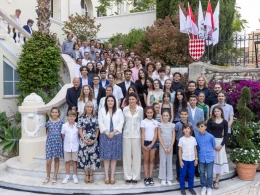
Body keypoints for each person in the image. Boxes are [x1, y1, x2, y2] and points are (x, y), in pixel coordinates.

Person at [98, 95, 124, 184]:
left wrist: (114, 132)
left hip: (116, 135)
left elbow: (121, 122)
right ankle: (106, 175)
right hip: (105, 135)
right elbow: (100, 121)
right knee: (106, 157)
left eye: (112, 101)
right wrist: (106, 132)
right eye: (108, 101)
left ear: (114, 102)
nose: (110, 102)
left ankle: (112, 175)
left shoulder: (119, 111)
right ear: (106, 102)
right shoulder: (102, 111)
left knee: (114, 157)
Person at [123, 93, 143, 185]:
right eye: (130, 99)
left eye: (133, 99)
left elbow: (141, 122)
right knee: (127, 157)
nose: (131, 101)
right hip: (126, 135)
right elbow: (123, 122)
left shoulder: (140, 109)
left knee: (136, 157)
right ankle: (127, 176)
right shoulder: (125, 109)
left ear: (136, 100)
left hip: (137, 135)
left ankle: (135, 176)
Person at [207, 106, 229, 190]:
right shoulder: (210, 121)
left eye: (218, 111)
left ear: (221, 112)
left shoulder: (225, 122)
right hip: (211, 143)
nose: (216, 113)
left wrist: (221, 145)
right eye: (215, 111)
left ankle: (216, 181)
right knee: (211, 161)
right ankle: (209, 179)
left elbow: (226, 135)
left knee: (219, 161)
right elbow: (207, 133)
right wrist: (211, 144)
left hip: (220, 143)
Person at [77, 101, 100, 184]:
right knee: (85, 158)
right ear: (85, 108)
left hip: (94, 141)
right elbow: (80, 130)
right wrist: (84, 139)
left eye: (90, 107)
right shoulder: (81, 117)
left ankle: (91, 174)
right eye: (88, 107)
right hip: (84, 141)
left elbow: (97, 129)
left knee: (92, 158)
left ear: (92, 108)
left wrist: (95, 139)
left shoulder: (95, 117)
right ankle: (87, 175)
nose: (89, 108)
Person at [43, 107, 64, 185]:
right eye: (53, 112)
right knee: (48, 161)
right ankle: (48, 176)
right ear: (50, 113)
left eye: (56, 112)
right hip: (50, 143)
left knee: (56, 160)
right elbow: (46, 132)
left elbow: (62, 134)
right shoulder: (48, 123)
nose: (54, 113)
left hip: (58, 143)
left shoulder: (61, 122)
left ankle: (55, 176)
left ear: (58, 113)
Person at [196, 121, 216, 195]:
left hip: (210, 157)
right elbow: (197, 147)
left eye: (202, 126)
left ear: (205, 127)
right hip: (201, 158)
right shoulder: (197, 137)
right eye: (199, 127)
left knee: (210, 174)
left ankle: (209, 187)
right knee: (202, 173)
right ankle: (203, 186)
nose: (200, 128)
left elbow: (213, 145)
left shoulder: (211, 136)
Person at [178, 123, 198, 195]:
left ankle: (191, 188)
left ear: (190, 130)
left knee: (191, 174)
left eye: (188, 128)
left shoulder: (193, 139)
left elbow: (195, 149)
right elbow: (180, 150)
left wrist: (196, 159)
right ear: (183, 130)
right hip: (184, 159)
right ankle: (182, 188)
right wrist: (180, 161)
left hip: (192, 160)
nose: (187, 130)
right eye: (185, 128)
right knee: (183, 174)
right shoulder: (181, 139)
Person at [141, 106, 158, 186]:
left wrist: (152, 144)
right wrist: (143, 144)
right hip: (145, 142)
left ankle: (150, 177)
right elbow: (143, 133)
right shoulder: (143, 122)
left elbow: (156, 134)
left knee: (151, 160)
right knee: (146, 160)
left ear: (153, 113)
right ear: (146, 113)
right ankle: (146, 177)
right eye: (148, 113)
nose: (149, 114)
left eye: (151, 112)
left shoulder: (155, 122)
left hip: (153, 143)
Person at [61, 110, 79, 184]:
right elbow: (63, 135)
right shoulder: (64, 125)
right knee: (67, 161)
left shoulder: (77, 125)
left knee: (74, 161)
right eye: (70, 116)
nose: (71, 118)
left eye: (73, 116)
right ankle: (67, 176)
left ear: (75, 117)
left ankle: (75, 175)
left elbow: (78, 136)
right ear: (68, 117)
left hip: (75, 146)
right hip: (67, 146)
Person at [158, 111, 175, 186]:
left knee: (169, 160)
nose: (165, 117)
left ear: (169, 116)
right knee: (163, 160)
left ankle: (169, 178)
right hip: (162, 145)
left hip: (170, 145)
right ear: (162, 116)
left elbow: (173, 136)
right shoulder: (160, 125)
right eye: (164, 115)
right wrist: (164, 147)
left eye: (167, 115)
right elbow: (159, 136)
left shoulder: (172, 125)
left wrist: (171, 146)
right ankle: (163, 178)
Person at [175, 109, 192, 182]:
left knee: (187, 159)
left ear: (187, 115)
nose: (183, 116)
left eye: (185, 114)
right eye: (182, 114)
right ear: (180, 115)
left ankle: (187, 176)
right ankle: (179, 175)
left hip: (188, 144)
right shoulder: (178, 124)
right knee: (179, 159)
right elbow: (175, 133)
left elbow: (191, 133)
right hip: (179, 143)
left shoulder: (190, 124)